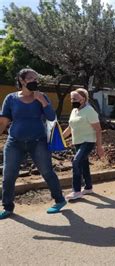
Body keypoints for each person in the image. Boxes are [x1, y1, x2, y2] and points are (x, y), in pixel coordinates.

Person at [0, 68, 66, 219]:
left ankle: (59, 200)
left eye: (36, 79)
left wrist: (42, 101)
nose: (35, 81)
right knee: (8, 175)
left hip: (38, 142)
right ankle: (8, 207)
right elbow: (4, 120)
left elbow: (51, 117)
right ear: (22, 81)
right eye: (31, 78)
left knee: (47, 172)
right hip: (14, 142)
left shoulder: (42, 96)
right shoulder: (11, 98)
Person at [62, 88, 105, 200]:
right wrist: (60, 138)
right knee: (84, 164)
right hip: (77, 142)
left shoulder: (90, 111)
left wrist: (99, 146)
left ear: (83, 99)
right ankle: (88, 187)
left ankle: (76, 191)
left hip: (88, 141)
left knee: (76, 162)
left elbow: (98, 130)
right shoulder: (74, 111)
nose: (73, 101)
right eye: (71, 98)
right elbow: (70, 128)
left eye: (75, 98)